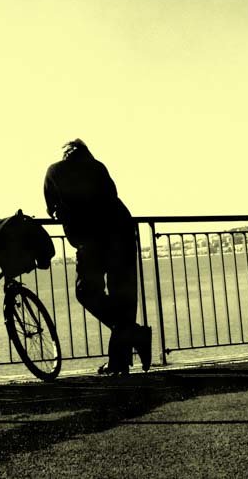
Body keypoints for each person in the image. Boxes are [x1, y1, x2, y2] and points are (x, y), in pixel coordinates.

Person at [44, 139, 152, 375]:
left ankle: (133, 336)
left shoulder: (55, 171)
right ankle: (120, 360)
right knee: (123, 297)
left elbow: (52, 208)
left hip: (92, 239)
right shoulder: (98, 167)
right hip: (122, 232)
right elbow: (112, 196)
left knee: (86, 291)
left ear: (66, 154)